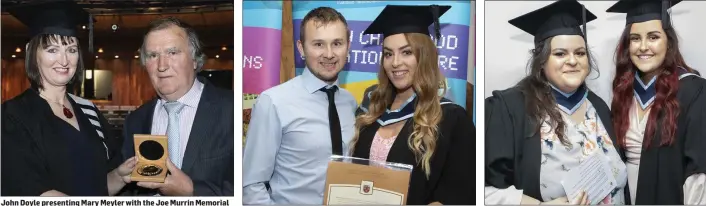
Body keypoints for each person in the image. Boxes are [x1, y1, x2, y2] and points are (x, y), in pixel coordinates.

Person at [485, 0, 629, 204]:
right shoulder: (510, 108)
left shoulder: (599, 107)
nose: (572, 61)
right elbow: (485, 192)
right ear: (542, 61)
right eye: (560, 53)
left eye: (580, 53)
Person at [1, 0, 135, 196]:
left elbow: (98, 187)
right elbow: (32, 190)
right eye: (52, 50)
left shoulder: (89, 110)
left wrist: (119, 176)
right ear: (32, 51)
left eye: (71, 50)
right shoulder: (12, 115)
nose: (64, 61)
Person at [350, 4, 476, 205]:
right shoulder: (371, 111)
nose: (395, 63)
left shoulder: (451, 119)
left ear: (424, 56)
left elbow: (460, 192)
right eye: (389, 54)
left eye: (406, 52)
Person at [606, 0, 706, 204]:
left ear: (669, 42)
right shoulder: (623, 96)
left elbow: (701, 170)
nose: (643, 47)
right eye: (635, 38)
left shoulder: (695, 91)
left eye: (653, 37)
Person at [242, 7, 357, 204]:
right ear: (301, 48)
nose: (329, 54)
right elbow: (251, 186)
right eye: (318, 44)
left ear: (348, 46)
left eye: (337, 43)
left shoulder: (350, 102)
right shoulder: (274, 101)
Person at [120, 16, 234, 196]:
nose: (162, 66)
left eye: (172, 53)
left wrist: (192, 191)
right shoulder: (135, 121)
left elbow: (249, 188)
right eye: (153, 56)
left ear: (195, 60)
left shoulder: (232, 110)